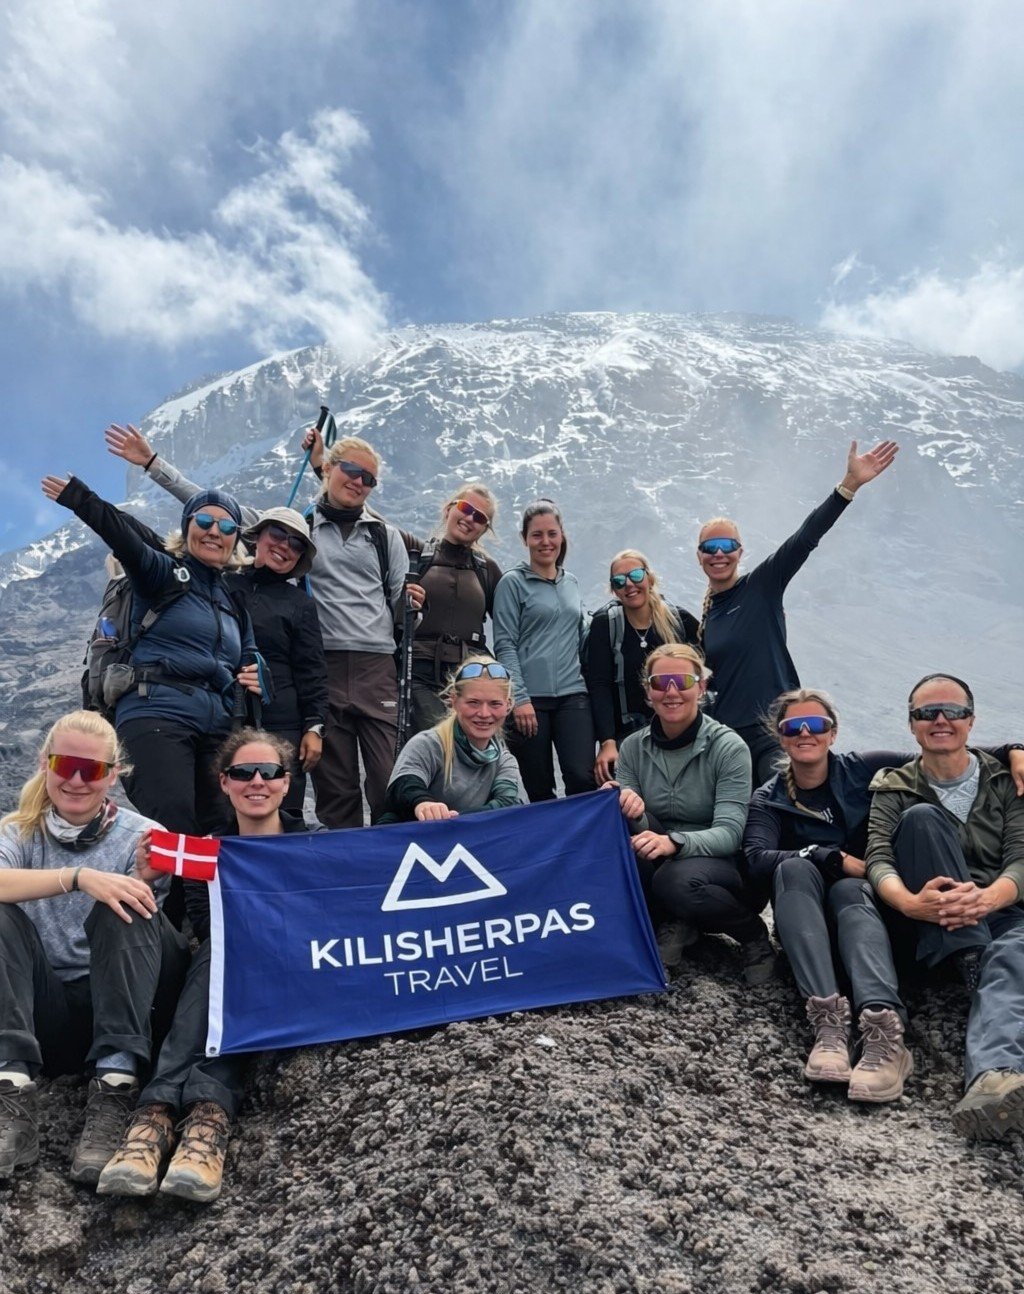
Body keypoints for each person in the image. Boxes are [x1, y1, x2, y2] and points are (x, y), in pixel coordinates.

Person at [97, 729, 317, 1203]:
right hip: (224, 968)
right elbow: (204, 923)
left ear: (286, 782)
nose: (256, 781)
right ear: (224, 783)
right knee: (222, 943)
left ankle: (171, 1114)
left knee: (235, 946)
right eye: (242, 772)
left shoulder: (318, 845)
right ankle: (185, 1119)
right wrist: (144, 879)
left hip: (295, 973)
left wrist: (429, 813)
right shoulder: (202, 852)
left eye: (270, 772)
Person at [0, 712, 188, 1185]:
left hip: (127, 1008)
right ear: (44, 764)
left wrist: (141, 880)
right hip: (52, 1016)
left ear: (114, 773)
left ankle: (115, 1088)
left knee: (125, 903)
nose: (78, 780)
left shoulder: (142, 835)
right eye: (66, 765)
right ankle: (12, 1091)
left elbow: (148, 934)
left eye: (94, 770)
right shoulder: (17, 831)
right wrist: (79, 878)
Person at [42, 474, 264, 846]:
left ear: (235, 538)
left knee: (222, 827)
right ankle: (160, 904)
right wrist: (80, 498)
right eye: (204, 522)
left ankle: (200, 907)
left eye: (226, 526)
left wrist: (259, 677)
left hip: (219, 726)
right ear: (186, 528)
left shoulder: (232, 602)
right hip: (157, 713)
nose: (214, 532)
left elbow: (250, 657)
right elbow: (125, 540)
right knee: (173, 822)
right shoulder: (161, 574)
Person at [867, 674, 1024, 1139]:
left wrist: (989, 897)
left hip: (1001, 908)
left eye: (952, 712)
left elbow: (1020, 857)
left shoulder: (1007, 780)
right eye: (926, 713)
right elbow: (877, 857)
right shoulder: (894, 786)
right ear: (912, 725)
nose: (940, 721)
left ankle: (993, 1079)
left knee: (1012, 954)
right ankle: (973, 959)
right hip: (930, 917)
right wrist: (910, 904)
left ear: (971, 721)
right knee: (920, 820)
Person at [743, 689, 914, 1102]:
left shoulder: (864, 769)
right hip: (807, 928)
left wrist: (1012, 749)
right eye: (793, 727)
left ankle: (883, 1029)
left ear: (832, 734)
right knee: (794, 866)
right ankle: (828, 1026)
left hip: (870, 913)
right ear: (781, 738)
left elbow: (940, 751)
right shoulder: (769, 798)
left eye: (816, 725)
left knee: (850, 890)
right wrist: (827, 856)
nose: (805, 733)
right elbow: (755, 857)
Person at [695, 439, 898, 784]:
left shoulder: (762, 587)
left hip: (776, 731)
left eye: (727, 546)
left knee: (784, 802)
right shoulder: (705, 618)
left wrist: (848, 486)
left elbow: (804, 539)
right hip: (726, 739)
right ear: (699, 556)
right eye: (709, 547)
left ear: (740, 552)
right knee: (739, 818)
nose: (719, 553)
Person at [613, 644, 773, 984]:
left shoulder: (728, 747)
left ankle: (752, 934)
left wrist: (674, 841)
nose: (671, 692)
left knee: (674, 880)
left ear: (701, 687)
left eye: (683, 680)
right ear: (648, 691)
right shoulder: (631, 748)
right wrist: (618, 804)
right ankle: (678, 921)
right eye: (660, 682)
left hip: (720, 865)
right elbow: (637, 826)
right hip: (661, 855)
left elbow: (730, 833)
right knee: (617, 821)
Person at [493, 501, 595, 802]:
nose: (545, 542)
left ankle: (583, 845)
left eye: (552, 533)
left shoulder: (571, 582)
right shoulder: (512, 583)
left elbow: (581, 636)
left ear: (562, 535)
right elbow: (505, 643)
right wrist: (520, 698)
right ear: (525, 538)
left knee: (581, 776)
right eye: (537, 535)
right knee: (539, 785)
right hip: (530, 701)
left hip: (573, 695)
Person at [228, 508, 328, 814]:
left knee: (282, 810)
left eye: (297, 544)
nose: (285, 546)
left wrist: (314, 727)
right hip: (224, 717)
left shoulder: (300, 603)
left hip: (282, 724)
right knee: (224, 808)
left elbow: (312, 670)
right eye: (278, 535)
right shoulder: (223, 585)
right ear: (257, 536)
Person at [588, 550, 698, 784]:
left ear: (650, 578)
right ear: (614, 590)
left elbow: (707, 668)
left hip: (679, 729)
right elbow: (599, 685)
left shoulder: (679, 621)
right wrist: (607, 742)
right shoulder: (605, 625)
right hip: (629, 735)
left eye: (636, 575)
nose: (629, 585)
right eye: (619, 581)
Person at [403, 486, 503, 736]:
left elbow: (512, 623)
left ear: (484, 530)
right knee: (437, 743)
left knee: (471, 746)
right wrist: (323, 468)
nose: (470, 519)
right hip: (420, 675)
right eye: (465, 508)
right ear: (449, 509)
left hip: (470, 678)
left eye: (480, 518)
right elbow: (375, 523)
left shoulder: (487, 570)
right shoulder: (418, 554)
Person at [380, 657, 523, 822]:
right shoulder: (427, 744)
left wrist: (452, 820)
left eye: (495, 704)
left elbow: (508, 804)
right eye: (473, 703)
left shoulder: (504, 760)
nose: (484, 714)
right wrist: (423, 803)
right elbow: (403, 787)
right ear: (454, 701)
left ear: (508, 706)